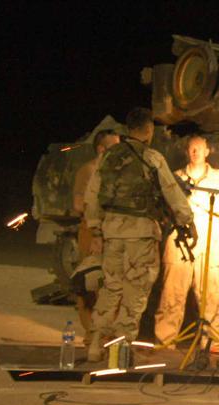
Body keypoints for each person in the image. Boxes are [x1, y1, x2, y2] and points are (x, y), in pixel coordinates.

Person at [85, 108, 195, 362]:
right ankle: (119, 351)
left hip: (112, 232)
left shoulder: (109, 157)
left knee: (110, 288)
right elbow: (172, 193)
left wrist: (96, 229)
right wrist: (187, 221)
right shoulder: (152, 157)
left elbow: (93, 195)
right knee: (135, 292)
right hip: (141, 235)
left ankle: (94, 344)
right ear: (148, 130)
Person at [153, 135, 219, 347]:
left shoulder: (218, 176)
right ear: (187, 152)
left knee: (210, 295)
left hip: (208, 240)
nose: (195, 152)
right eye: (191, 149)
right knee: (172, 293)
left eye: (199, 148)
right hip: (180, 239)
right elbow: (169, 206)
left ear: (207, 151)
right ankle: (164, 341)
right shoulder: (175, 176)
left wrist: (189, 197)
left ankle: (212, 344)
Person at [72, 129, 120, 340]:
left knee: (111, 285)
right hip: (92, 232)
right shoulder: (89, 170)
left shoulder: (116, 172)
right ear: (101, 149)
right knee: (90, 285)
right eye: (113, 146)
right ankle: (91, 334)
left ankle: (106, 334)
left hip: (111, 233)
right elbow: (78, 204)